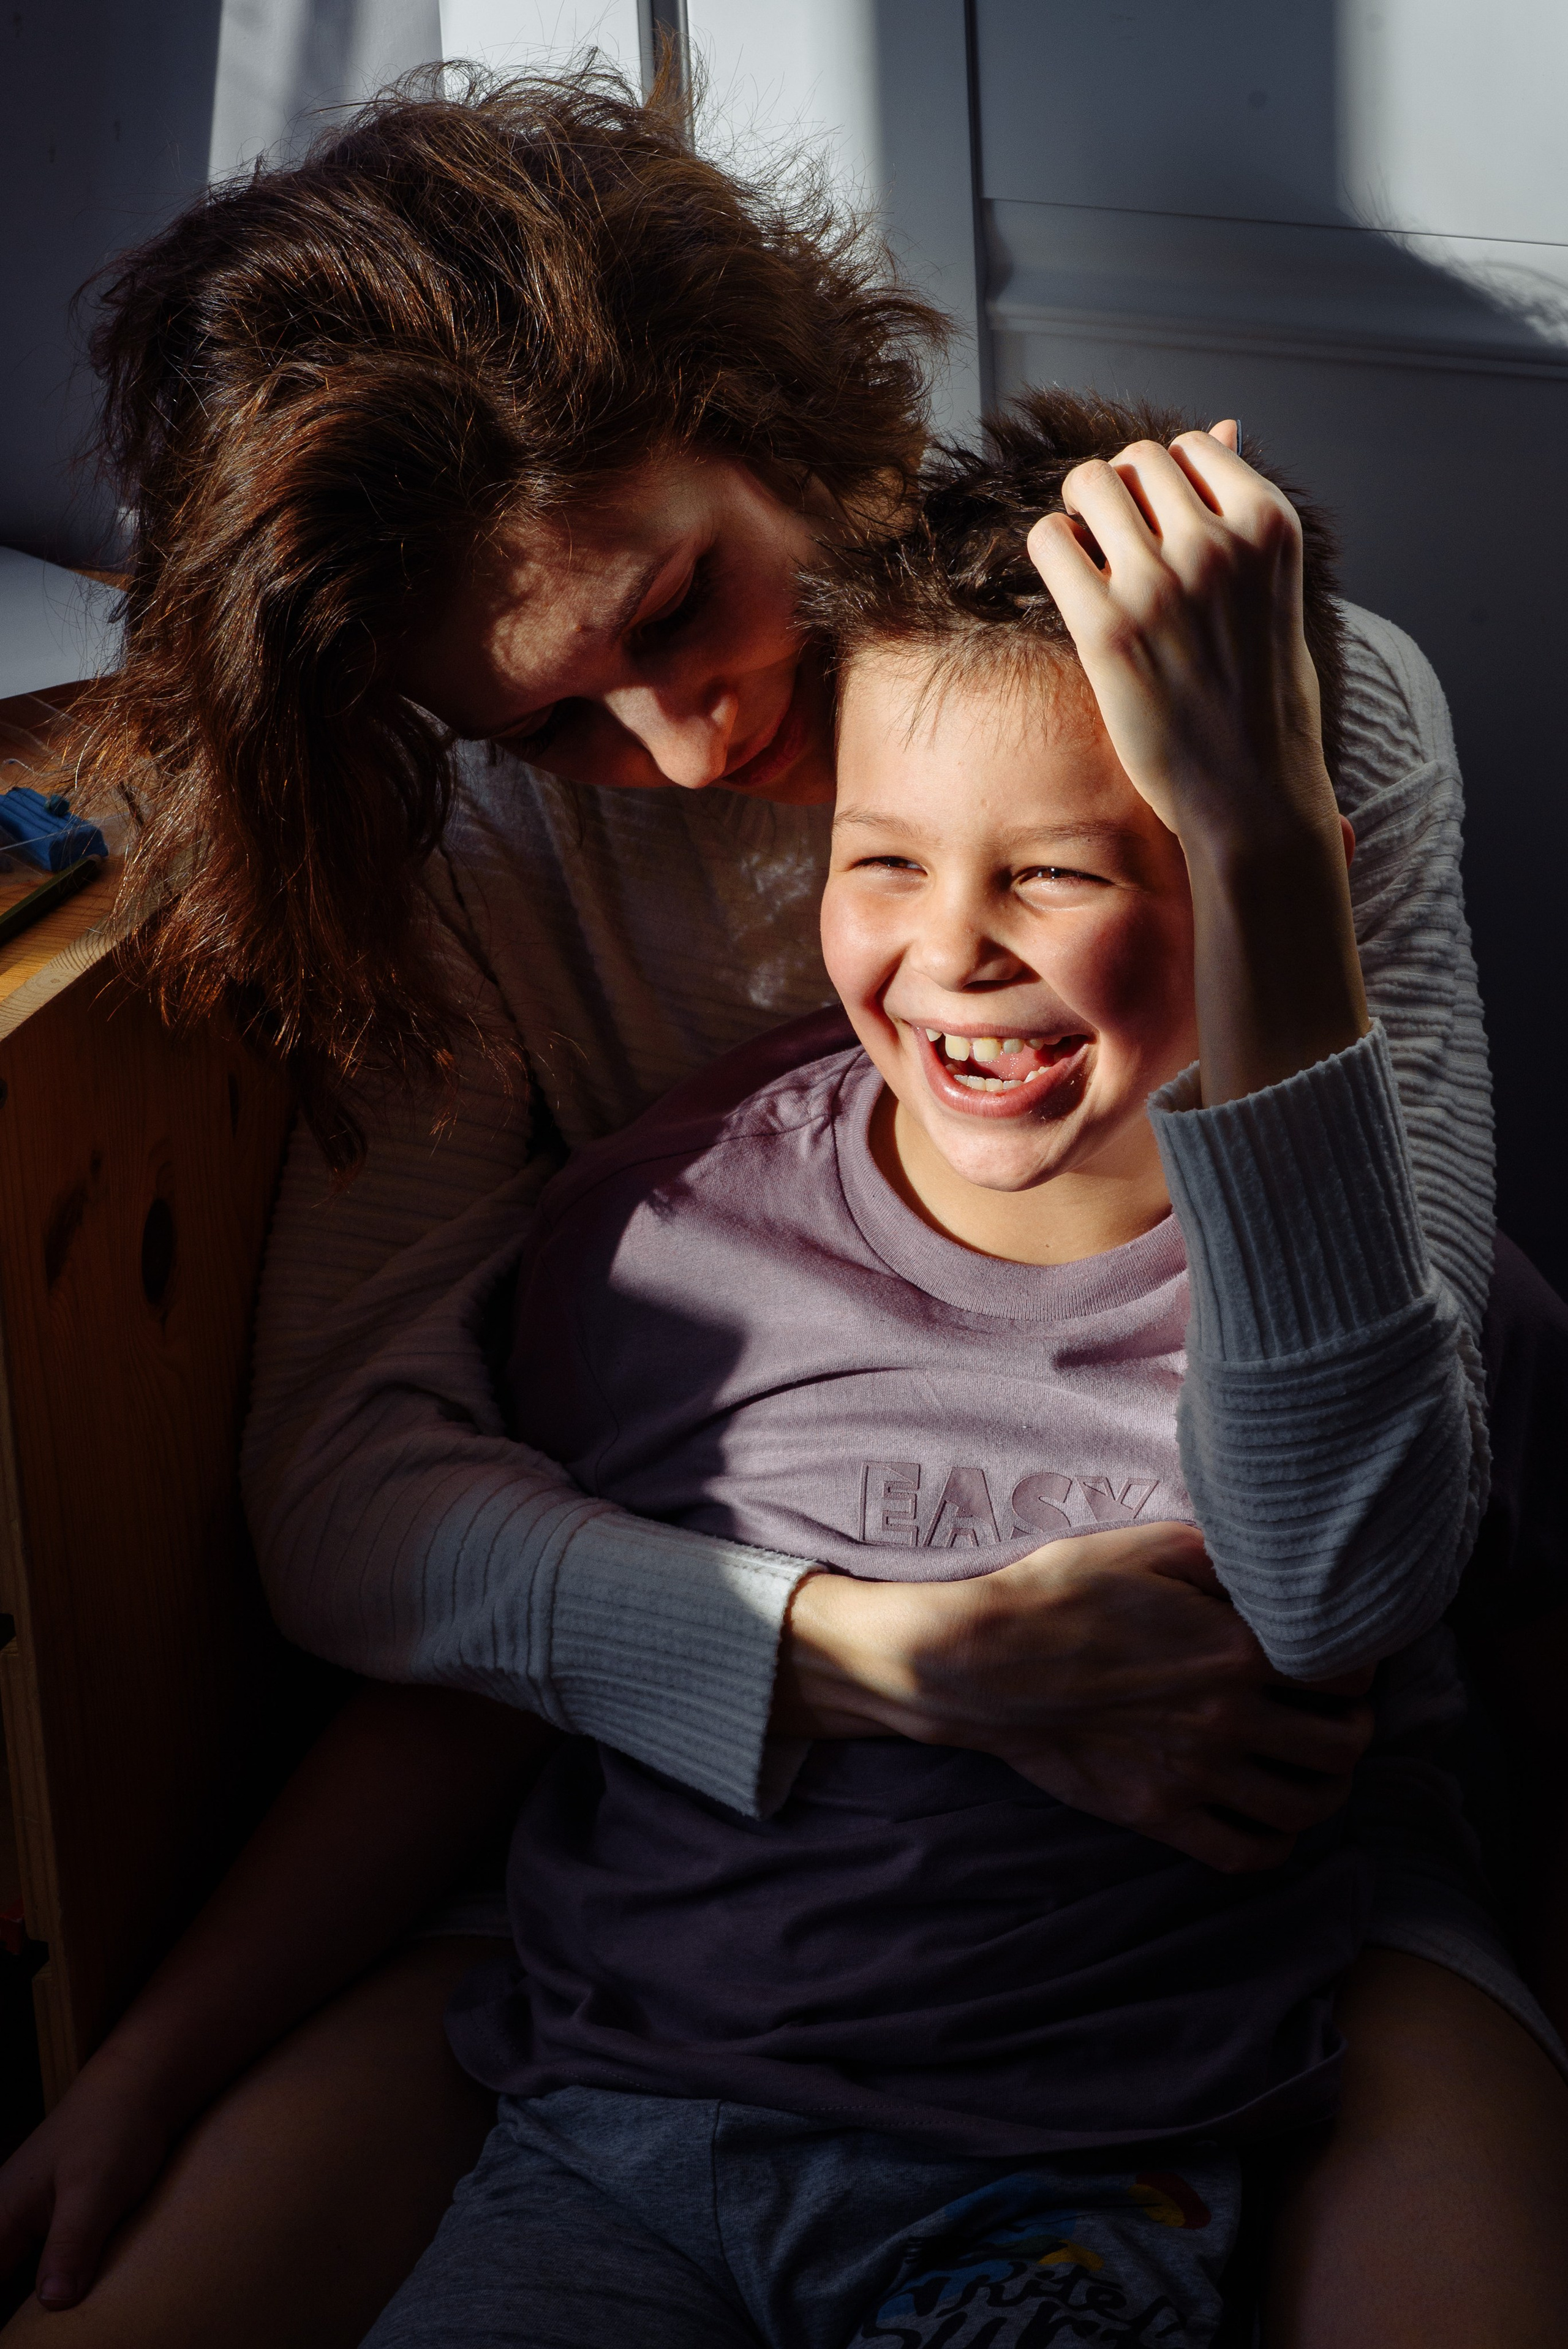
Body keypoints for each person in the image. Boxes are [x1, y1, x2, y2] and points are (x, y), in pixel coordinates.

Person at [0, 66, 1559, 2349]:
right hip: (698, 1830)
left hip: (1207, 1859)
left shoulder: (1261, 728)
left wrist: (1257, 832)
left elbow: (1359, 1552)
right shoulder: (537, 984)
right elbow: (354, 1497)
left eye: (678, 606)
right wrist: (871, 1660)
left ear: (775, 411)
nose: (681, 752)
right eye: (543, 727)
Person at [353, 392, 1566, 2348]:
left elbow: (1406, 1599)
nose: (955, 953)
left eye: (1062, 875)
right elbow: (481, 1690)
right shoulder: (654, 1237)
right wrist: (144, 2065)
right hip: (617, 2131)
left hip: (1070, 2176)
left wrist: (1258, 830)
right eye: (886, 863)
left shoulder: (1417, 1301)